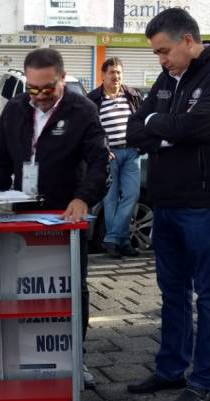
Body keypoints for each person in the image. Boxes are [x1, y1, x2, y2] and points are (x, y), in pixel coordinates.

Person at [125, 8, 210, 401]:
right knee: (172, 291)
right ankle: (171, 368)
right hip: (166, 201)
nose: (161, 59)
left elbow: (197, 129)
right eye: (156, 53)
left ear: (188, 41)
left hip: (204, 202)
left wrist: (158, 124)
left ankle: (205, 379)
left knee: (209, 293)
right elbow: (133, 130)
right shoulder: (166, 79)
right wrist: (166, 127)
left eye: (164, 51)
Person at [0, 48, 109, 389]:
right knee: (24, 288)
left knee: (72, 289)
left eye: (48, 88)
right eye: (33, 88)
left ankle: (76, 358)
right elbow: (3, 158)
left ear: (62, 79)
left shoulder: (82, 110)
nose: (40, 95)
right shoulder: (15, 109)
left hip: (66, 216)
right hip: (23, 215)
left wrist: (83, 198)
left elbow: (99, 161)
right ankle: (27, 354)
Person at [87, 58, 143, 259]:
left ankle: (111, 238)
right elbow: (90, 130)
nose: (116, 76)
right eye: (111, 72)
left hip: (131, 153)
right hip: (108, 155)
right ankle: (123, 242)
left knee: (132, 195)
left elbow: (141, 120)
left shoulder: (132, 95)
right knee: (110, 200)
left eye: (119, 72)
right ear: (102, 75)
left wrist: (141, 143)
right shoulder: (93, 99)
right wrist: (103, 149)